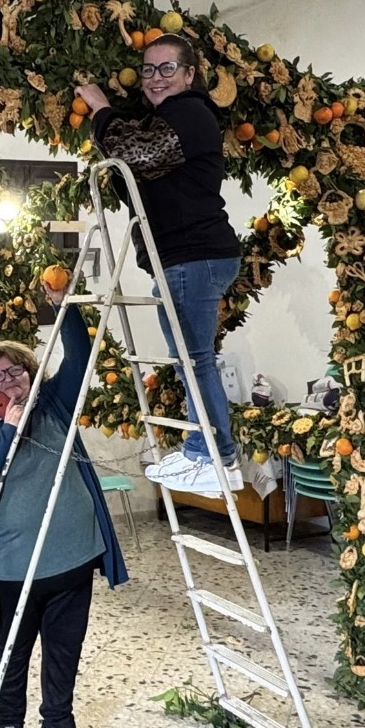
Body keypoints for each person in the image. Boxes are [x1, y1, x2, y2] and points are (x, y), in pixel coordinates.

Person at [0, 280, 129, 728]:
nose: (9, 380)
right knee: (10, 655)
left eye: (17, 370)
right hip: (15, 569)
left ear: (32, 373)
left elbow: (80, 358)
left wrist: (63, 306)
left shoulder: (55, 405)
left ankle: (58, 726)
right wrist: (8, 429)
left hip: (73, 558)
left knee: (64, 650)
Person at [76, 33, 243, 496]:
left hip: (193, 255)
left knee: (194, 360)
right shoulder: (167, 118)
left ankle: (209, 456)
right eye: (148, 69)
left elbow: (134, 154)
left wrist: (101, 108)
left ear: (189, 74)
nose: (155, 78)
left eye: (167, 68)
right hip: (189, 256)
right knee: (194, 359)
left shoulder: (190, 113)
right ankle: (216, 458)